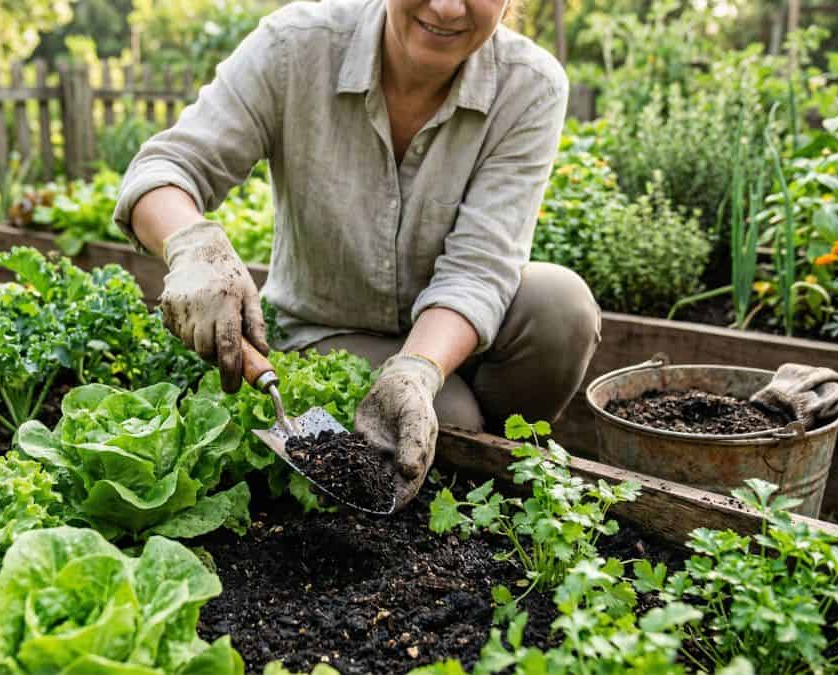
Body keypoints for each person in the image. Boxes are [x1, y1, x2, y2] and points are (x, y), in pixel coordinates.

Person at [113, 0, 601, 509]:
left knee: (560, 306)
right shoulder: (295, 47)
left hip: (455, 333)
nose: (447, 7)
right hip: (328, 332)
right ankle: (463, 458)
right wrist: (192, 246)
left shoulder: (528, 84)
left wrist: (418, 370)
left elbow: (480, 267)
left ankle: (499, 478)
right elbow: (165, 168)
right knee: (454, 422)